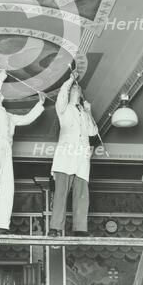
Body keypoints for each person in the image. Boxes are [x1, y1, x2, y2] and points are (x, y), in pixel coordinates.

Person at [0, 69, 45, 234]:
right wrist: (1, 75)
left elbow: (27, 119)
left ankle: (1, 224)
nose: (0, 94)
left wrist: (40, 104)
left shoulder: (9, 116)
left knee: (8, 186)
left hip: (7, 148)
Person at [48, 71, 99, 237]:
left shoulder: (84, 114)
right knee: (61, 194)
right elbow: (62, 95)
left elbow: (93, 132)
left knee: (82, 196)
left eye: (79, 89)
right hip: (65, 159)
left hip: (82, 160)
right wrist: (70, 80)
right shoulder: (63, 109)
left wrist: (89, 112)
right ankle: (55, 228)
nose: (77, 90)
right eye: (74, 89)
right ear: (71, 93)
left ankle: (80, 228)